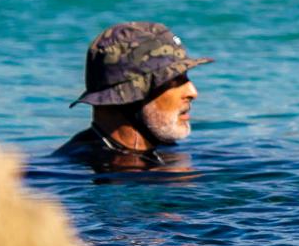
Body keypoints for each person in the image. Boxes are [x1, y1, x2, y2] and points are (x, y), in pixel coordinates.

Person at [53, 21, 209, 171]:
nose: (192, 92)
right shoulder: (79, 168)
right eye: (174, 80)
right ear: (127, 98)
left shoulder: (166, 149)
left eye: (186, 77)